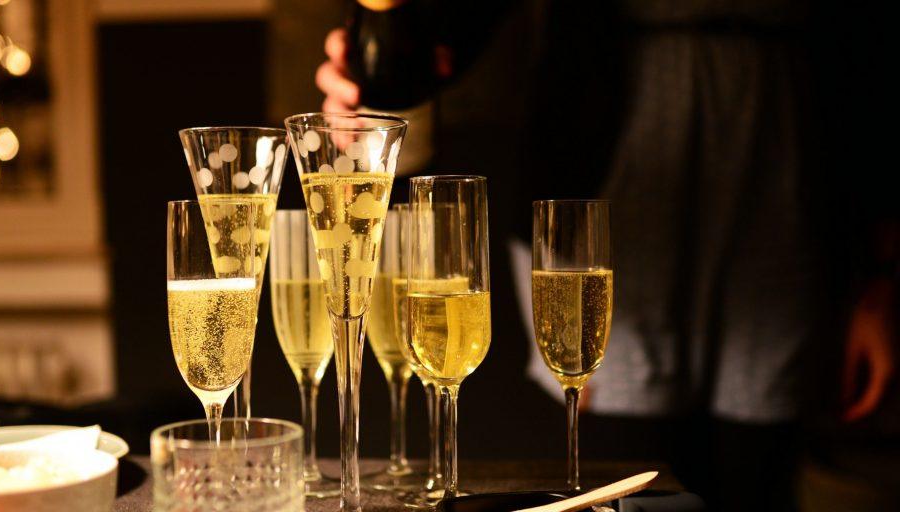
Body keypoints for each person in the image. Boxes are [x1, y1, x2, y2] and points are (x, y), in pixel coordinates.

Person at [315, 2, 895, 510]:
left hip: (790, 161)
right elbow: (449, 25)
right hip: (603, 160)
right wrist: (376, 73)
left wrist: (882, 281)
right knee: (622, 460)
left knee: (760, 459)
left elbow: (870, 40)